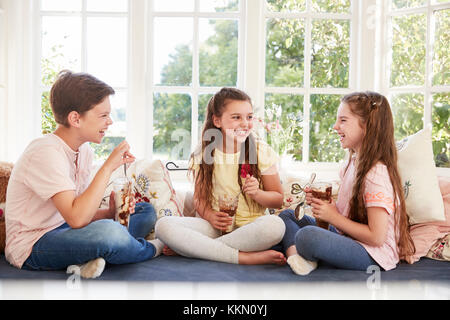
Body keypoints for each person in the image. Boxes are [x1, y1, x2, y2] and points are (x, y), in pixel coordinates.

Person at [5, 70, 163, 278]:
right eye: (103, 115)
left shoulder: (84, 151)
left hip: (63, 228)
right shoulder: (45, 151)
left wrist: (109, 212)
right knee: (110, 232)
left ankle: (91, 256)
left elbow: (77, 213)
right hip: (32, 244)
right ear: (75, 119)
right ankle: (152, 249)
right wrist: (108, 167)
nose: (110, 122)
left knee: (144, 211)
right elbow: (77, 219)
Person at [278, 91, 415, 275]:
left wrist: (333, 217)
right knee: (287, 216)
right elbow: (347, 216)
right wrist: (328, 208)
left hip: (373, 253)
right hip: (348, 236)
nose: (335, 126)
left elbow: (376, 237)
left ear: (367, 126)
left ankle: (306, 255)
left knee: (307, 236)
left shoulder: (376, 174)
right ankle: (299, 258)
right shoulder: (353, 161)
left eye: (343, 120)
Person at [155, 87, 286, 265]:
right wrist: (210, 216)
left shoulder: (261, 151)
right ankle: (243, 257)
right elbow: (200, 200)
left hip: (251, 228)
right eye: (236, 117)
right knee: (163, 226)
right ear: (217, 121)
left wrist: (257, 194)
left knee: (275, 226)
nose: (245, 123)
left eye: (249, 117)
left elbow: (278, 199)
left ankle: (195, 250)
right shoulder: (204, 154)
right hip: (215, 228)